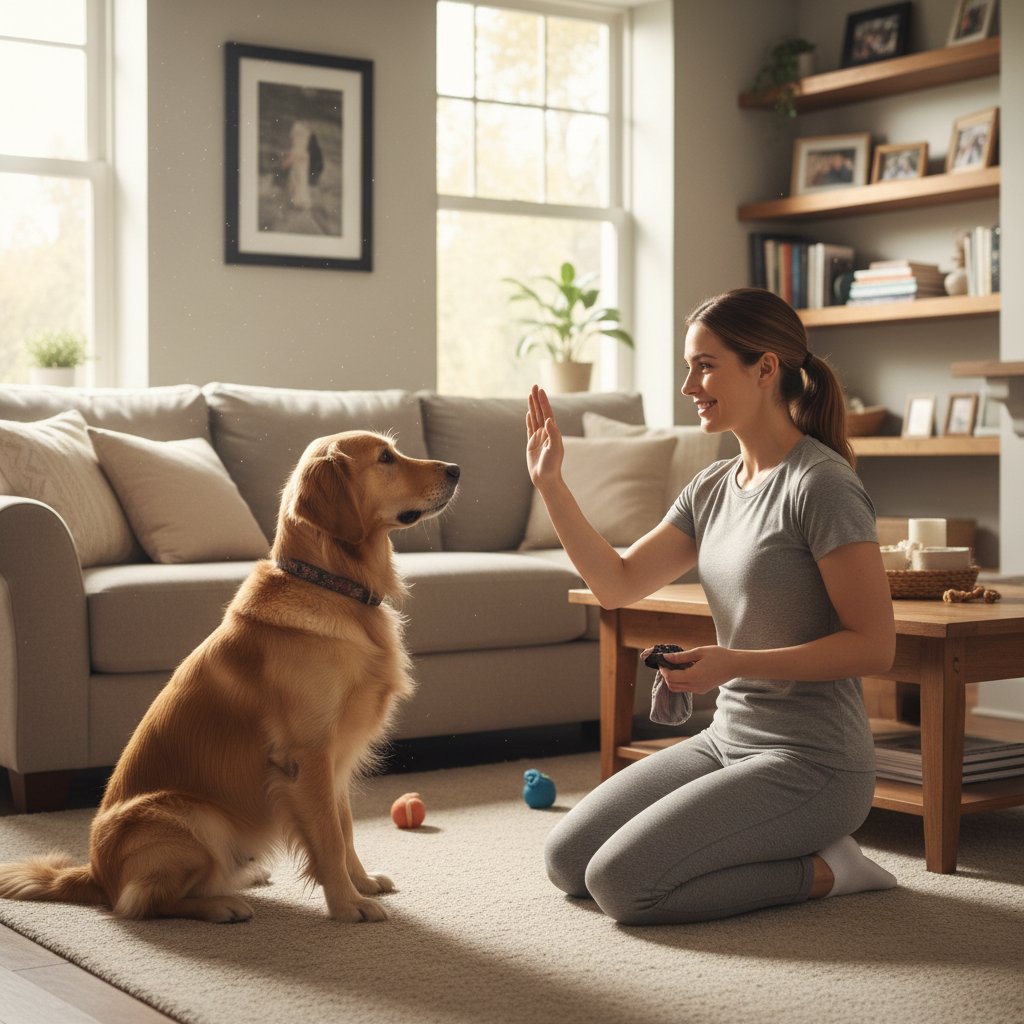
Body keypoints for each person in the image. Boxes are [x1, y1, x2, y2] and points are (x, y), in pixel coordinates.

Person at [526, 287, 897, 925]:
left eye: (704, 365)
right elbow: (617, 584)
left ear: (765, 368)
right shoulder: (712, 488)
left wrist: (731, 663)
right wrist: (552, 486)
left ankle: (831, 869)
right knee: (567, 860)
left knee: (623, 886)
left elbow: (873, 646)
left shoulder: (822, 485)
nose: (688, 385)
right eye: (688, 367)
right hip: (726, 739)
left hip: (812, 761)